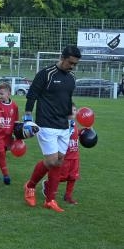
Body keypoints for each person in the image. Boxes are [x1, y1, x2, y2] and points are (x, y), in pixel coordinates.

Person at [23, 45, 81, 213]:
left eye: (75, 64)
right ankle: (30, 186)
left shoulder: (71, 78)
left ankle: (50, 200)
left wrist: (71, 121)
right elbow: (32, 95)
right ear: (62, 58)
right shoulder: (45, 74)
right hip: (46, 123)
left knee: (59, 162)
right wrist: (27, 116)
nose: (72, 66)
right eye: (71, 63)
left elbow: (68, 100)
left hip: (64, 125)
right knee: (51, 161)